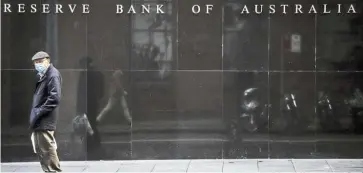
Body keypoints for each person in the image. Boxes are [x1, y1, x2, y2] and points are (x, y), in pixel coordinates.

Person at [29, 51, 62, 172]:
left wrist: (39, 111)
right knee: (41, 148)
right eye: (36, 63)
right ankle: (49, 170)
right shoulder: (44, 75)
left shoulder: (52, 75)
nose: (38, 65)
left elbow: (54, 98)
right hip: (40, 118)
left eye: (40, 62)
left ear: (48, 60)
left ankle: (53, 171)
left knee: (47, 148)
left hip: (45, 118)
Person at [76, 57, 105, 160]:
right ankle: (95, 146)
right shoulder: (97, 73)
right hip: (93, 103)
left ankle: (92, 147)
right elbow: (101, 90)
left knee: (89, 125)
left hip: (87, 104)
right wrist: (98, 99)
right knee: (91, 124)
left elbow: (80, 92)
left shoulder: (85, 74)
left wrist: (78, 107)